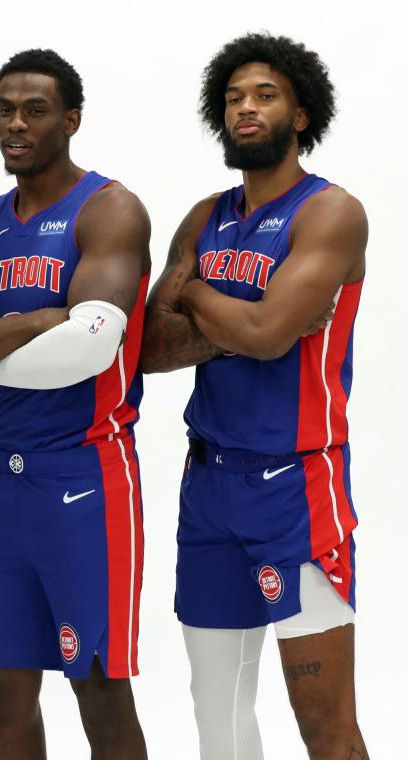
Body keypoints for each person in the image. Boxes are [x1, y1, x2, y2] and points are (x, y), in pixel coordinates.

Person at [0, 49, 151, 759]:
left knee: (98, 684)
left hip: (86, 473)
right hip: (1, 478)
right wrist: (35, 322)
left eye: (34, 110)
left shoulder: (108, 208)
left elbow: (89, 347)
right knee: (1, 687)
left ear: (69, 120)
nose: (14, 124)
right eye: (5, 109)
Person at [140, 32, 369, 760]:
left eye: (264, 95)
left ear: (299, 114)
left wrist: (197, 292)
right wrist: (245, 315)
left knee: (323, 726)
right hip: (206, 483)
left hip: (295, 485)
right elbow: (145, 347)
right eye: (234, 97)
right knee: (217, 717)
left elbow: (271, 334)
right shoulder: (203, 217)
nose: (246, 108)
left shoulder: (330, 212)